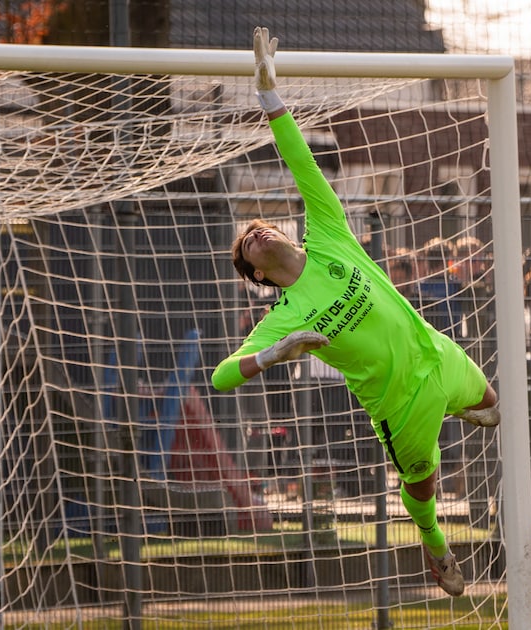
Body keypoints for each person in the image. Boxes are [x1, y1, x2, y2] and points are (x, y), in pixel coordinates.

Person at [212, 28, 501, 597]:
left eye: (261, 228)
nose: (258, 233)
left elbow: (302, 163)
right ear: (258, 275)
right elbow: (221, 378)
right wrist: (272, 354)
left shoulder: (328, 235)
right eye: (248, 242)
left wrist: (270, 97)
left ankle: (455, 406)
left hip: (435, 351)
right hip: (398, 401)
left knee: (493, 409)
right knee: (423, 484)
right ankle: (433, 543)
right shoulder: (285, 316)